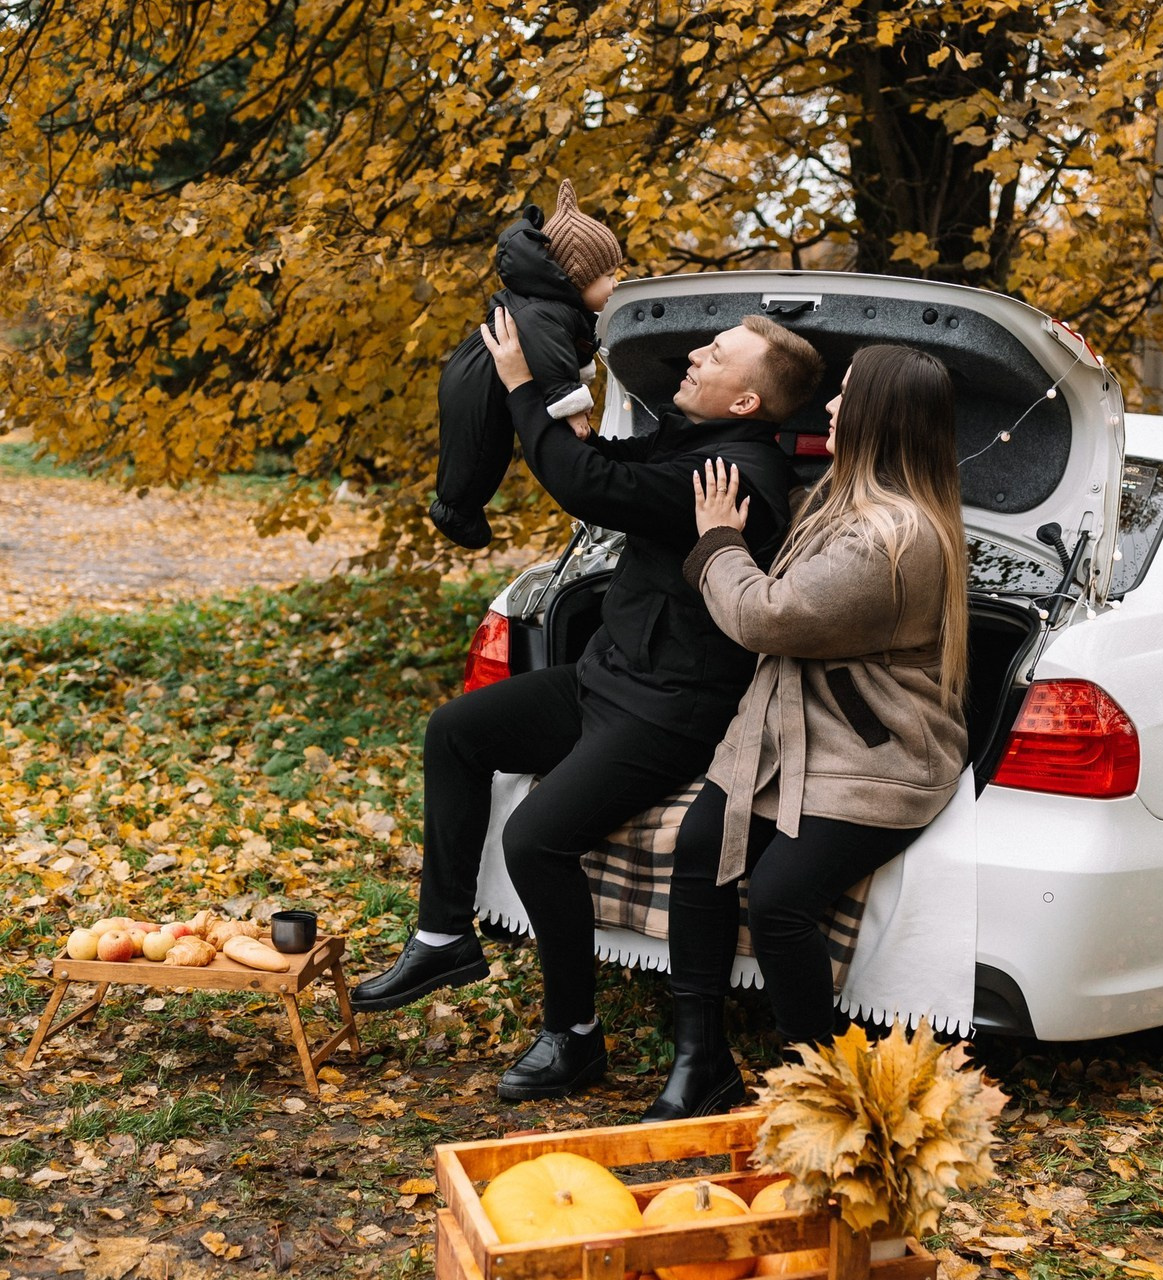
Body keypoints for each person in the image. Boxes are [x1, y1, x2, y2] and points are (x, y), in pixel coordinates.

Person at [352, 306, 826, 1104]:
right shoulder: (692, 443)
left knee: (536, 838)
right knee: (456, 732)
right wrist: (560, 398)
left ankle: (572, 1034)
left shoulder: (734, 475)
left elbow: (586, 486)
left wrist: (519, 386)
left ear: (747, 402)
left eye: (716, 354)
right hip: (605, 679)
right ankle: (443, 935)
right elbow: (600, 457)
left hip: (668, 711)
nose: (695, 354)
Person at [642, 343, 970, 1122]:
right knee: (700, 845)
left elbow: (769, 617)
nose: (829, 406)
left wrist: (717, 541)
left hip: (876, 750)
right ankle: (700, 1060)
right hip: (793, 732)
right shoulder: (838, 501)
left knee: (781, 898)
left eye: (846, 395)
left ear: (880, 417)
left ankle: (817, 1089)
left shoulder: (895, 538)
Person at [430, 179, 624, 549]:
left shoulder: (556, 307)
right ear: (578, 276)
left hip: (480, 372)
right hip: (477, 380)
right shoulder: (544, 310)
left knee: (492, 447)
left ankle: (461, 509)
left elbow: (566, 354)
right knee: (478, 450)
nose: (615, 284)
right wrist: (573, 410)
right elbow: (553, 361)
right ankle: (457, 512)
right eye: (608, 276)